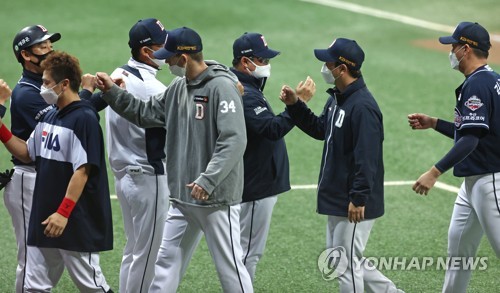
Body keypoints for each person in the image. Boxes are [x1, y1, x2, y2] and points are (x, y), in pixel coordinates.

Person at [96, 26, 253, 292]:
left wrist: (208, 179)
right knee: (165, 263)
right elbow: (144, 113)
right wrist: (112, 92)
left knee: (230, 268)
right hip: (182, 198)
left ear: (184, 58)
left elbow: (234, 140)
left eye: (170, 57)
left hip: (215, 199)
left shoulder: (222, 87)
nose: (166, 61)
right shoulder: (178, 87)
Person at [280, 38, 403, 292]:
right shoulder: (338, 98)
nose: (324, 67)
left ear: (342, 69)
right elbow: (319, 129)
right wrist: (295, 106)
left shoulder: (363, 108)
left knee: (345, 266)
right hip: (338, 196)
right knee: (344, 259)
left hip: (354, 201)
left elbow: (367, 158)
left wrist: (358, 198)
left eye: (328, 63)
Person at [0, 51, 113, 292]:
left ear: (64, 84)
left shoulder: (84, 119)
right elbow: (27, 153)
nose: (42, 88)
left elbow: (82, 170)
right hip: (44, 218)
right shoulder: (49, 116)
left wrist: (63, 213)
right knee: (35, 286)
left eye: (46, 82)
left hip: (73, 218)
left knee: (92, 286)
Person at [408, 21, 499, 293]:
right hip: (473, 182)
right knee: (458, 253)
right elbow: (474, 130)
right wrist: (435, 122)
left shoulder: (478, 85)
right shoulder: (489, 80)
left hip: (490, 180)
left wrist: (434, 172)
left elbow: (471, 139)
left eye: (453, 46)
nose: (450, 51)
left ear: (466, 49)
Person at [230, 32, 315, 281]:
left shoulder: (247, 86)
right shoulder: (243, 91)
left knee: (246, 253)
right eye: (262, 59)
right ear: (246, 63)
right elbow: (271, 130)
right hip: (256, 187)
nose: (267, 64)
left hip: (257, 182)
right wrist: (298, 104)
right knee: (247, 255)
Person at [106, 18, 170, 293]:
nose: (169, 49)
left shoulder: (118, 73)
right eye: (163, 44)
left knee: (133, 252)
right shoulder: (153, 89)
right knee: (147, 258)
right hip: (148, 180)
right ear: (147, 51)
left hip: (125, 177)